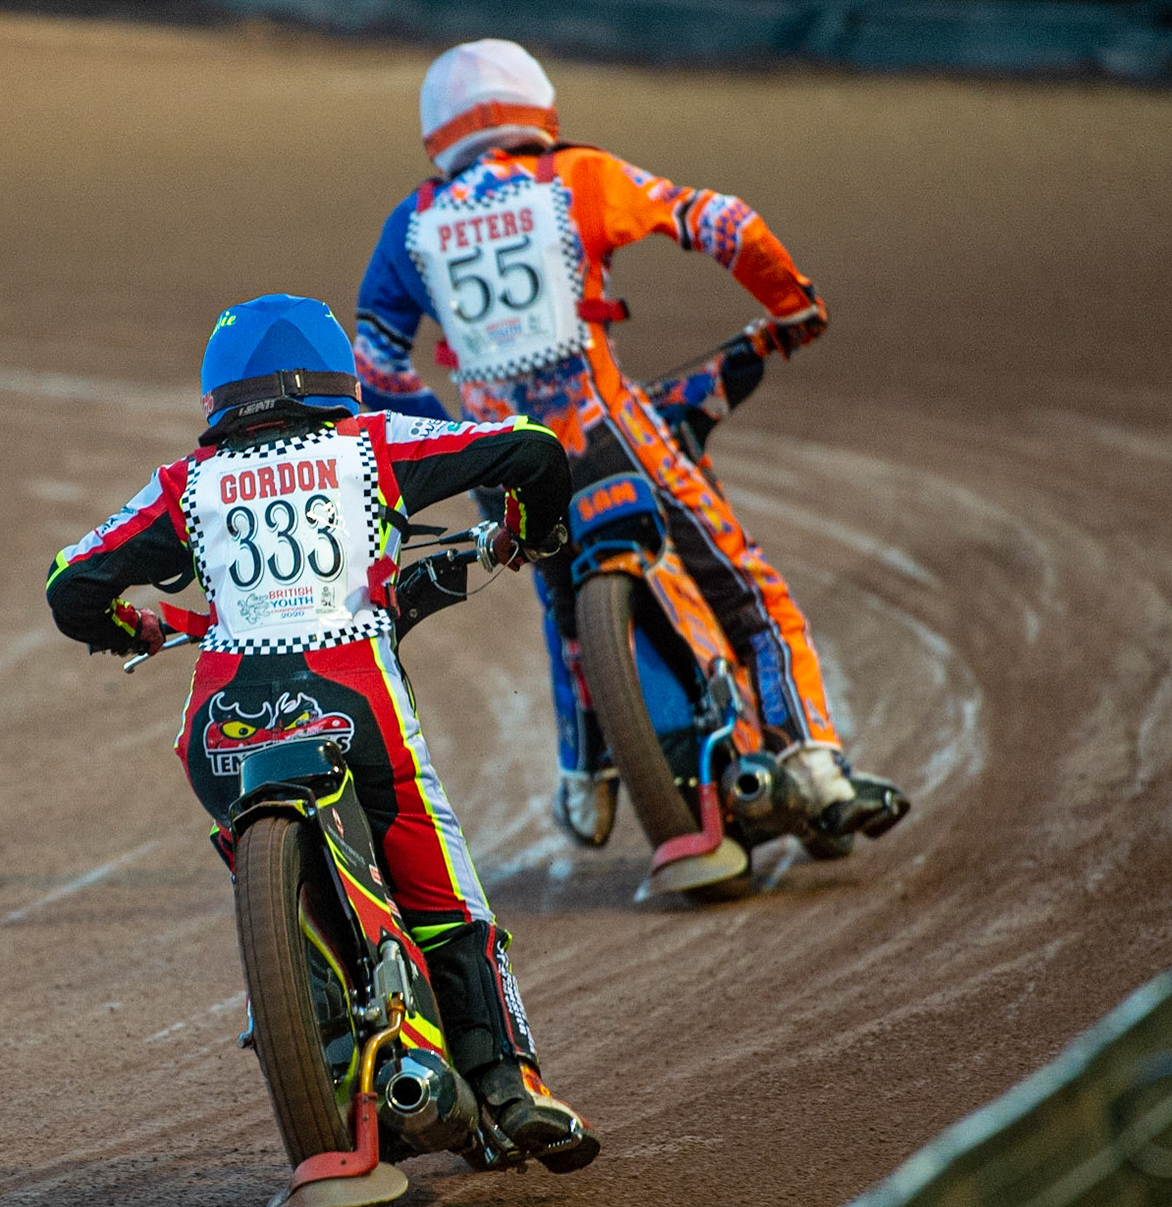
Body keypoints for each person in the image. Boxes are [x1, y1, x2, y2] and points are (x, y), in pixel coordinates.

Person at [44, 294, 596, 1173]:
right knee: (444, 880)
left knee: (250, 855)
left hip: (221, 720)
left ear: (217, 396)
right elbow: (531, 448)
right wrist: (535, 531)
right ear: (336, 376)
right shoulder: (369, 445)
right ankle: (508, 1084)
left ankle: (311, 1008)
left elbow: (70, 583)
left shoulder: (184, 485)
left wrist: (132, 629)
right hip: (355, 694)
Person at [351, 38, 907, 854]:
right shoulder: (573, 176)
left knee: (556, 601)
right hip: (611, 430)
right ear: (539, 109)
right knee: (748, 587)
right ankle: (818, 766)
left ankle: (584, 779)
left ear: (439, 133)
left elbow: (372, 359)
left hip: (500, 456)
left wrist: (447, 444)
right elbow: (724, 222)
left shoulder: (412, 222)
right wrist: (792, 307)